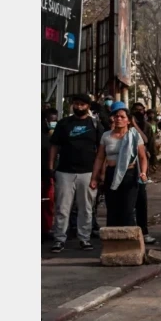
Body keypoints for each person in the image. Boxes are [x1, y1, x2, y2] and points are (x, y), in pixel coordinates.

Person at [49, 94, 104, 253]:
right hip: (64, 172)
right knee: (62, 208)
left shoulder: (95, 124)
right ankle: (59, 239)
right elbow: (54, 146)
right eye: (76, 104)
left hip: (87, 173)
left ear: (88, 106)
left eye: (82, 104)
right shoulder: (63, 124)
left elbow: (102, 151)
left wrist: (98, 174)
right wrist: (51, 166)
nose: (79, 107)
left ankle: (84, 239)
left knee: (86, 208)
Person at [91, 102, 150, 228]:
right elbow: (100, 157)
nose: (118, 119)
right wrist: (94, 177)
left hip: (129, 175)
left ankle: (128, 243)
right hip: (111, 174)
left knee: (127, 210)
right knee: (112, 209)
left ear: (128, 121)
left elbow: (142, 157)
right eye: (116, 116)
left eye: (122, 117)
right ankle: (112, 243)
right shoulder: (106, 136)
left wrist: (143, 173)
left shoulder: (134, 136)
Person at [130, 102, 157, 244]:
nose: (139, 112)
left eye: (141, 110)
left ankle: (143, 231)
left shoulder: (145, 126)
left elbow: (148, 141)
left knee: (141, 200)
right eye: (136, 110)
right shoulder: (123, 128)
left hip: (140, 168)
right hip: (125, 170)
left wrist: (152, 162)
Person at [42, 108, 59, 240]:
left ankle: (46, 230)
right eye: (50, 120)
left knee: (48, 204)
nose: (53, 123)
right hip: (44, 174)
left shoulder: (54, 138)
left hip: (48, 175)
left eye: (55, 120)